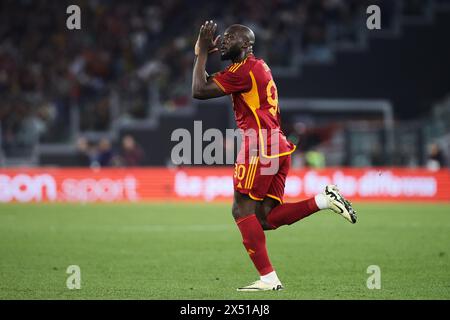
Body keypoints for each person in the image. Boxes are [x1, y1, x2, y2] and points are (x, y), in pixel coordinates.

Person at [192, 21, 357, 291]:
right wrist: (201, 53)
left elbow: (198, 90)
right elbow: (207, 83)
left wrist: (200, 53)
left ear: (245, 45)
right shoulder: (256, 66)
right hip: (277, 144)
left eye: (230, 37)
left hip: (260, 145)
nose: (222, 40)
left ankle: (269, 279)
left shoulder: (243, 70)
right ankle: (324, 200)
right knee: (265, 218)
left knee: (241, 210)